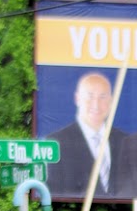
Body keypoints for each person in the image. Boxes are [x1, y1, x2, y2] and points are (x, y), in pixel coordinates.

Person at [51, 71, 123, 199]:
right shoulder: (58, 142)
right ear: (77, 98)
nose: (96, 104)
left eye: (102, 97)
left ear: (111, 101)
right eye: (90, 96)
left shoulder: (124, 141)